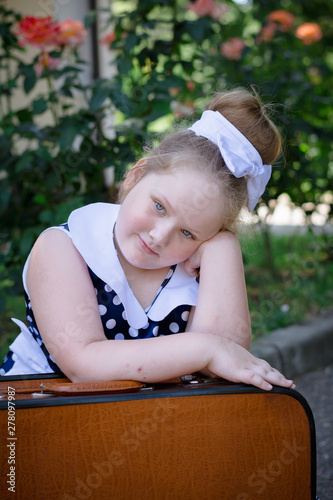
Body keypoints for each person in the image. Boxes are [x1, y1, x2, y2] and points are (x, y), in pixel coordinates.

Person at [0, 88, 295, 392]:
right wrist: (206, 349)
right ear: (136, 176)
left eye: (187, 232)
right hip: (32, 411)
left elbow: (224, 367)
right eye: (159, 206)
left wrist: (224, 248)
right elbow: (83, 364)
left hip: (133, 423)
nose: (158, 237)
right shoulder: (66, 247)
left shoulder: (194, 262)